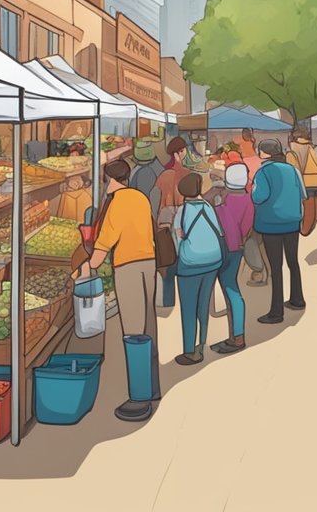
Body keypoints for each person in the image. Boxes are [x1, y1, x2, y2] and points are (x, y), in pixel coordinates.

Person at [75, 159, 161, 422]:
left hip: (129, 268)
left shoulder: (117, 203)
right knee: (148, 327)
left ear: (109, 179)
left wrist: (88, 266)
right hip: (149, 263)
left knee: (134, 333)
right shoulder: (139, 198)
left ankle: (139, 399)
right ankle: (152, 387)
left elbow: (105, 243)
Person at [252, 139, 307, 324]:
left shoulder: (263, 172)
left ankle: (276, 313)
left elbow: (259, 197)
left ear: (266, 153)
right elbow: (303, 194)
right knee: (293, 261)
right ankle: (297, 299)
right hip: (292, 222)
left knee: (276, 267)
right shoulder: (293, 170)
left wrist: (252, 189)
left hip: (271, 224)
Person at [172, 174, 223, 366]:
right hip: (212, 260)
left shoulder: (182, 211)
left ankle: (189, 350)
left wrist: (181, 254)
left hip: (191, 263)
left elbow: (178, 237)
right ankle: (201, 344)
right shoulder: (208, 207)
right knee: (203, 306)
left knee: (188, 308)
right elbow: (218, 230)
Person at [211, 162, 253, 354]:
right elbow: (247, 227)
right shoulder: (249, 201)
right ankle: (238, 334)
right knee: (232, 289)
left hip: (219, 247)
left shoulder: (221, 199)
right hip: (237, 248)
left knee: (221, 290)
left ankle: (233, 338)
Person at [155, 136, 192, 307]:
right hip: (183, 216)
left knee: (167, 259)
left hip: (164, 217)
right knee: (184, 258)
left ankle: (168, 300)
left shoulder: (164, 175)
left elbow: (156, 199)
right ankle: (186, 300)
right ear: (180, 152)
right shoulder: (187, 174)